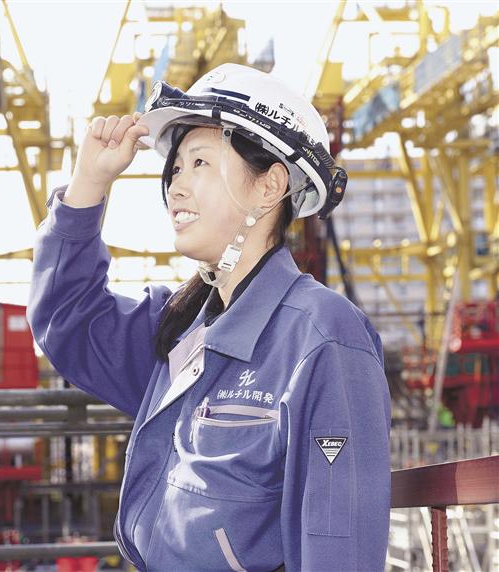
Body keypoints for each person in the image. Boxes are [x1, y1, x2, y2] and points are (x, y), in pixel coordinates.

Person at [27, 63, 391, 572]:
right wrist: (88, 184)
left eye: (200, 162)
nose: (176, 187)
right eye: (176, 169)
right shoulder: (181, 332)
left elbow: (339, 545)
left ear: (269, 186)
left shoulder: (322, 338)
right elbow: (67, 321)